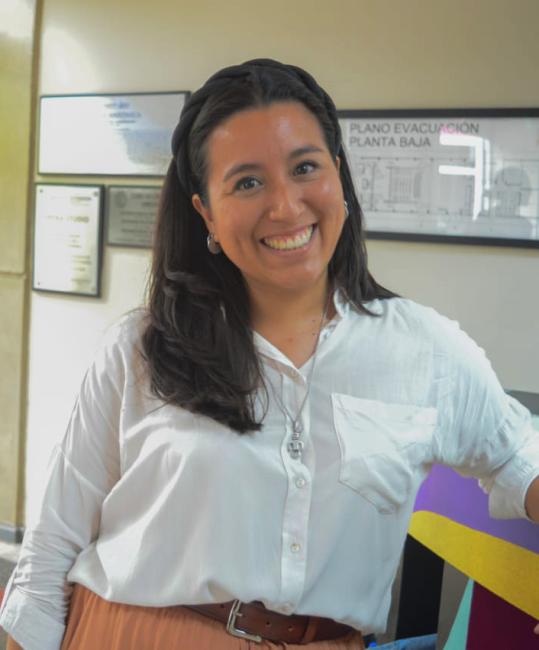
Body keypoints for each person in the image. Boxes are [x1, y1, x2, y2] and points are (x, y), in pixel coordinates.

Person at [2, 59, 539, 650]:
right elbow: (52, 545)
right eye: (247, 183)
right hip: (132, 632)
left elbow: (519, 457)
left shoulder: (424, 349)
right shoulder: (141, 348)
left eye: (305, 167)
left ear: (339, 175)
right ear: (205, 211)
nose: (285, 206)